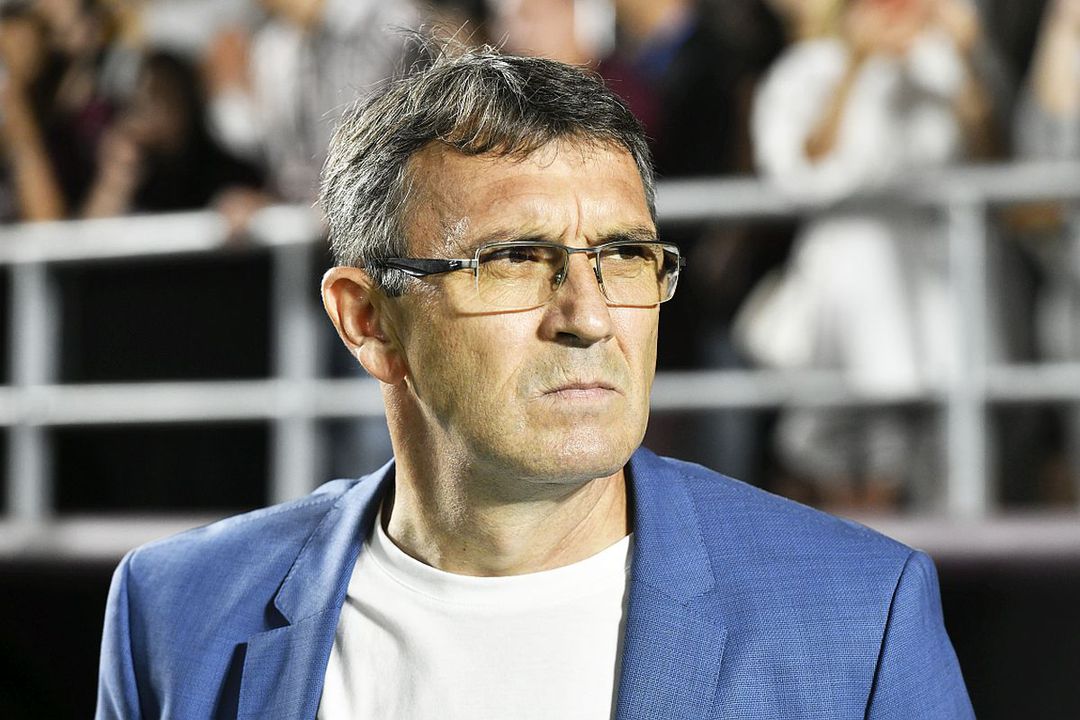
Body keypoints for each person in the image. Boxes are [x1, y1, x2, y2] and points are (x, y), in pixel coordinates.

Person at [96, 39, 974, 719]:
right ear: (368, 320)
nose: (589, 316)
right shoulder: (174, 613)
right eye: (515, 259)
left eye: (624, 256)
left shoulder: (858, 616)